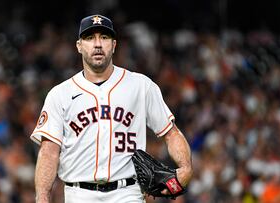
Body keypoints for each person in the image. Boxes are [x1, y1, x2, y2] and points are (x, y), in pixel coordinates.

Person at [30, 14, 193, 203]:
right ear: (79, 46)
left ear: (114, 45)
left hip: (127, 193)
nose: (97, 44)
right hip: (79, 194)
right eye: (90, 38)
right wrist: (42, 196)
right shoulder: (60, 94)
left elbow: (170, 133)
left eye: (104, 37)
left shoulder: (141, 86)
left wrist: (185, 167)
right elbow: (49, 151)